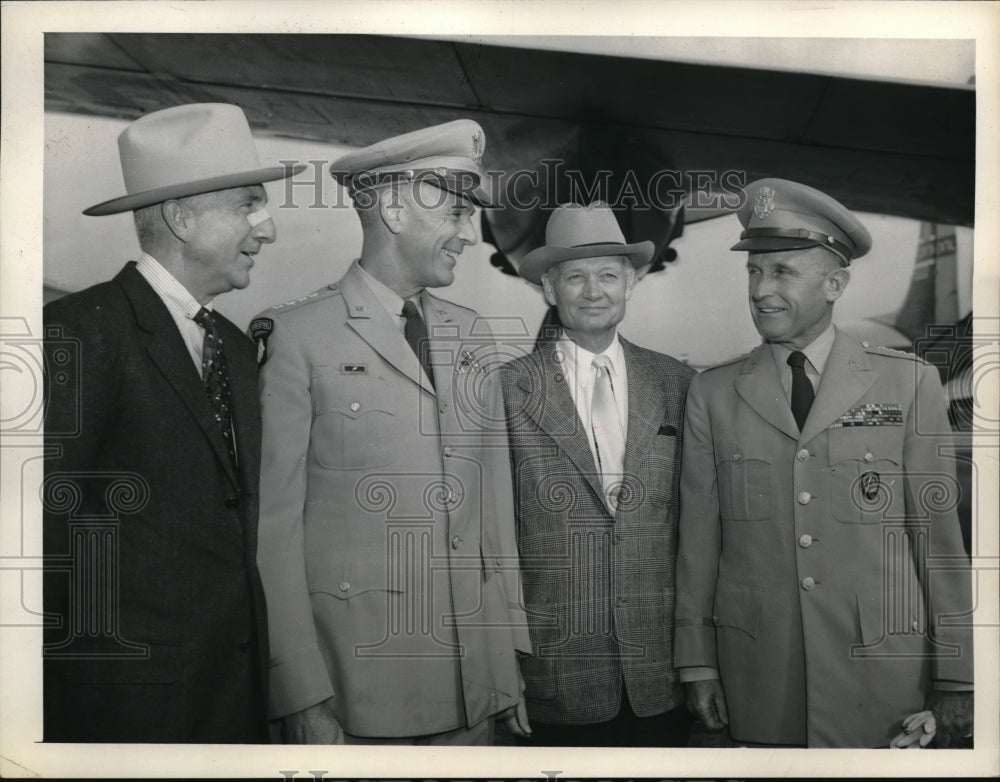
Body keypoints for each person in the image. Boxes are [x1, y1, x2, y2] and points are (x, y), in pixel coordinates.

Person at [253, 119, 530, 745]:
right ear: (397, 209)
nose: (468, 234)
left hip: (475, 689)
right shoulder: (297, 337)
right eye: (456, 212)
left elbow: (494, 517)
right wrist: (299, 695)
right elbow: (273, 534)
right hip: (361, 695)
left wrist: (509, 657)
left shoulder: (472, 336)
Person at [674, 178, 974, 748]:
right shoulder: (711, 394)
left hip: (882, 677)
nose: (761, 289)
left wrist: (958, 673)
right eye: (754, 271)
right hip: (759, 676)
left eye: (783, 271)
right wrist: (697, 663)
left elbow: (938, 543)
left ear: (835, 283)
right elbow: (698, 544)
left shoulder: (908, 384)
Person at [43, 103, 301, 742]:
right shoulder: (78, 333)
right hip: (124, 713)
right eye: (248, 205)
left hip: (231, 704)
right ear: (182, 218)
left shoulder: (236, 349)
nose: (266, 230)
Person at [500, 202, 696, 746]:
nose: (594, 291)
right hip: (554, 674)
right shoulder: (507, 390)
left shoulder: (677, 383)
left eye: (608, 275)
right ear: (548, 289)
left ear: (630, 283)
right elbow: (492, 546)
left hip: (661, 675)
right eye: (576, 277)